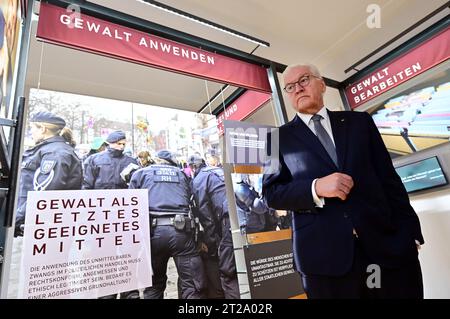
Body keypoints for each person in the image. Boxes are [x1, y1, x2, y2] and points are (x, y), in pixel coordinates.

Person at [262, 63, 424, 299]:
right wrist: (315, 188)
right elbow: (271, 194)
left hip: (386, 246)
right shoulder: (274, 139)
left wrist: (410, 231)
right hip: (324, 259)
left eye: (304, 80)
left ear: (322, 84)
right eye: (289, 87)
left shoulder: (360, 123)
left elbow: (389, 180)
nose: (297, 89)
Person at [129, 150, 206, 299]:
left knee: (155, 285)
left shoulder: (141, 174)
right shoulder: (182, 174)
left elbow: (131, 207)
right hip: (182, 233)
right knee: (191, 284)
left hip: (152, 233)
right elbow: (194, 202)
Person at [82, 130, 140, 299]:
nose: (122, 147)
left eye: (124, 144)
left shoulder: (131, 161)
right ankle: (107, 292)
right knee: (104, 255)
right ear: (110, 143)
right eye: (118, 143)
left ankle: (129, 292)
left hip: (125, 216)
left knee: (128, 255)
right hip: (101, 216)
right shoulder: (94, 160)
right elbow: (86, 187)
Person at [15, 111, 82, 236]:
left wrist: (17, 219)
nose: (31, 132)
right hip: (40, 220)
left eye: (32, 128)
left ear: (43, 129)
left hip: (46, 222)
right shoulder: (49, 149)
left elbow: (43, 193)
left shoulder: (54, 152)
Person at [188, 154, 239, 299]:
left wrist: (211, 245)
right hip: (245, 215)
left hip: (229, 219)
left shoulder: (198, 180)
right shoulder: (218, 171)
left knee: (228, 272)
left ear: (192, 168)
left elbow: (206, 217)